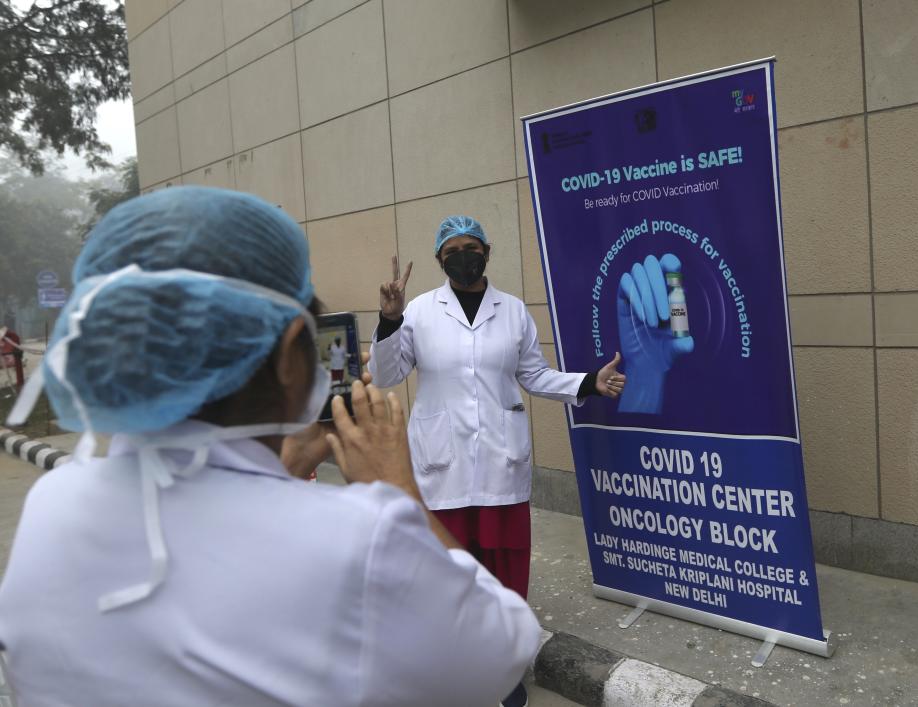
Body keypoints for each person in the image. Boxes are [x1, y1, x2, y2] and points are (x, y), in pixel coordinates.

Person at [0, 188, 540, 707]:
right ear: (289, 357)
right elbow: (499, 650)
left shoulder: (52, 504)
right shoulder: (359, 537)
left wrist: (282, 468)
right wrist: (398, 489)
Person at [369, 215, 625, 707]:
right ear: (440, 257)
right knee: (448, 573)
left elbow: (535, 374)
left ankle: (502, 668)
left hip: (500, 464)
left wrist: (588, 381)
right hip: (441, 465)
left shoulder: (512, 311)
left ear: (487, 249)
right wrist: (389, 319)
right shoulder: (420, 311)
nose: (462, 256)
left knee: (504, 574)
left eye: (471, 246)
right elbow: (385, 375)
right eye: (452, 249)